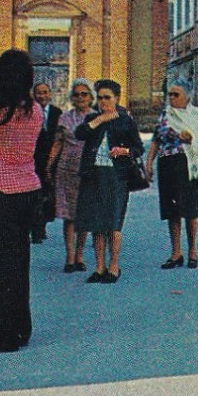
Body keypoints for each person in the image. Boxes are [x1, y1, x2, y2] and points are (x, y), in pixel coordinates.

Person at [0, 49, 43, 353]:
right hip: (29, 187)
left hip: (1, 188)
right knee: (20, 262)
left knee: (0, 265)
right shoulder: (35, 110)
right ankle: (20, 329)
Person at [74, 79, 142, 283]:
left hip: (116, 175)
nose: (103, 102)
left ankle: (113, 266)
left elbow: (138, 147)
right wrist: (100, 120)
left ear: (116, 98)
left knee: (112, 223)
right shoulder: (94, 118)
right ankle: (99, 267)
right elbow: (80, 134)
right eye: (100, 98)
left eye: (107, 98)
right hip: (92, 174)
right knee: (95, 222)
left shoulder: (125, 120)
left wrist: (125, 151)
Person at [143, 79, 198, 269]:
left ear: (187, 97)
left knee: (191, 210)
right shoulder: (166, 115)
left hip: (191, 166)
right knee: (172, 211)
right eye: (170, 94)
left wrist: (192, 140)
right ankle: (175, 253)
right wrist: (148, 163)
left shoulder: (197, 115)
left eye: (176, 94)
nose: (171, 98)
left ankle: (192, 251)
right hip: (168, 165)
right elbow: (156, 140)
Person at [47, 81, 94, 273]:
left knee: (83, 214)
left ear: (91, 97)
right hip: (66, 170)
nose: (80, 98)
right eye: (77, 95)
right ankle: (69, 256)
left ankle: (80, 255)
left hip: (88, 170)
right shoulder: (64, 118)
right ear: (71, 98)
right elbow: (57, 143)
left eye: (84, 94)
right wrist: (48, 165)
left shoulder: (96, 117)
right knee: (69, 215)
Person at [30, 81, 60, 244]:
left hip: (52, 160)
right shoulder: (28, 113)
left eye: (45, 92)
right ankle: (36, 228)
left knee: (50, 196)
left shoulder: (57, 113)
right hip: (33, 160)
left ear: (50, 95)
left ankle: (43, 223)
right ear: (34, 95)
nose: (42, 96)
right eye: (39, 93)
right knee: (36, 196)